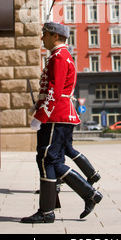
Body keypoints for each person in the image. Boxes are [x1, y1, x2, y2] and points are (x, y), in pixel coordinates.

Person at [20, 21, 102, 224]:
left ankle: (50, 210)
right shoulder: (62, 56)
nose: (42, 38)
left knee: (47, 159)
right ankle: (87, 194)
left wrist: (40, 116)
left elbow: (54, 91)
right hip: (61, 115)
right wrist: (37, 107)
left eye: (45, 34)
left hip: (56, 116)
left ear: (55, 36)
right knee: (53, 161)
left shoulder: (58, 57)